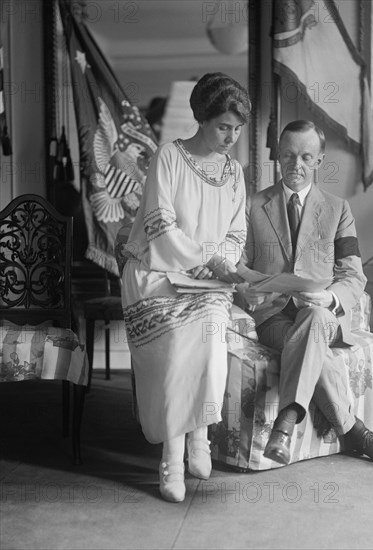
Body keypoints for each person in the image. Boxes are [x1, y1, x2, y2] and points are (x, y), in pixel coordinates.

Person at [238, 120, 373, 466]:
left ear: (319, 161)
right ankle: (352, 429)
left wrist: (330, 298)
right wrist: (246, 288)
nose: (295, 165)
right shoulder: (253, 206)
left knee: (315, 316)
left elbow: (353, 275)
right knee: (310, 337)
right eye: (287, 155)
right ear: (277, 157)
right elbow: (238, 264)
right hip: (274, 317)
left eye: (304, 157)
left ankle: (284, 424)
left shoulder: (338, 209)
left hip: (324, 313)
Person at [120, 73, 251, 502]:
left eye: (237, 129)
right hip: (156, 275)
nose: (231, 137)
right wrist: (203, 259)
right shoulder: (169, 157)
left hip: (207, 282)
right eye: (223, 127)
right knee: (179, 341)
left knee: (212, 335)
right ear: (203, 118)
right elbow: (160, 227)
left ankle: (200, 437)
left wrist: (221, 264)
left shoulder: (234, 172)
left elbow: (236, 232)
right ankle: (172, 457)